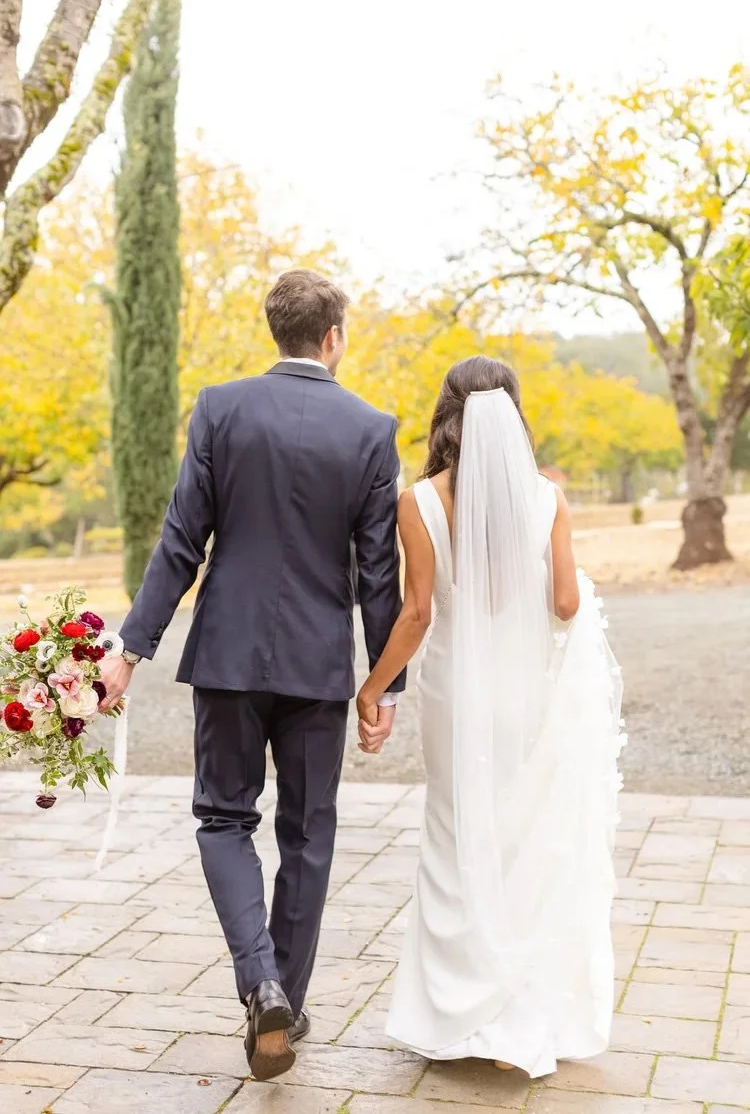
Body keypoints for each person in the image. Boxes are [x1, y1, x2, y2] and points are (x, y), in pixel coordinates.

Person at [99, 270, 406, 1081]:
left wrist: (129, 651)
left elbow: (179, 543)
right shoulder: (372, 429)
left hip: (229, 657)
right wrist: (383, 687)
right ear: (333, 336)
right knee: (308, 833)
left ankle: (260, 983)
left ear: (277, 331)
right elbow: (378, 575)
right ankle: (281, 1008)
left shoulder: (220, 407)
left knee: (223, 820)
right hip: (316, 666)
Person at [356, 357, 624, 1078]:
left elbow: (417, 613)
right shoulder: (547, 500)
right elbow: (566, 605)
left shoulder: (420, 501)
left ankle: (458, 1013)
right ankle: (522, 1007)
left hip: (453, 697)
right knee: (521, 838)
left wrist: (373, 687)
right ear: (513, 414)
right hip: (525, 697)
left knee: (454, 833)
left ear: (446, 414)